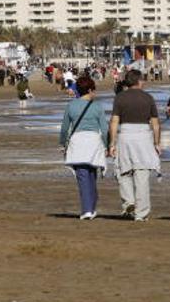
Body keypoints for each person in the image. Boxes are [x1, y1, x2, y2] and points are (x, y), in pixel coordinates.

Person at [108, 69, 161, 222]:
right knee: (142, 174)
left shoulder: (120, 98)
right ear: (139, 81)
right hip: (143, 136)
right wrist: (157, 143)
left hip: (125, 135)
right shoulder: (148, 98)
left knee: (123, 171)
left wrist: (112, 143)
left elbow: (114, 121)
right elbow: (156, 124)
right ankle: (141, 212)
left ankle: (129, 202)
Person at [59, 76, 109, 220]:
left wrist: (63, 143)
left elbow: (64, 128)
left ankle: (88, 209)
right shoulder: (97, 106)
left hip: (78, 142)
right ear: (89, 90)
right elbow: (104, 129)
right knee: (92, 175)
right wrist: (107, 145)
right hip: (93, 142)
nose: (95, 93)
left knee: (82, 175)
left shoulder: (71, 106)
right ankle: (91, 208)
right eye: (94, 90)